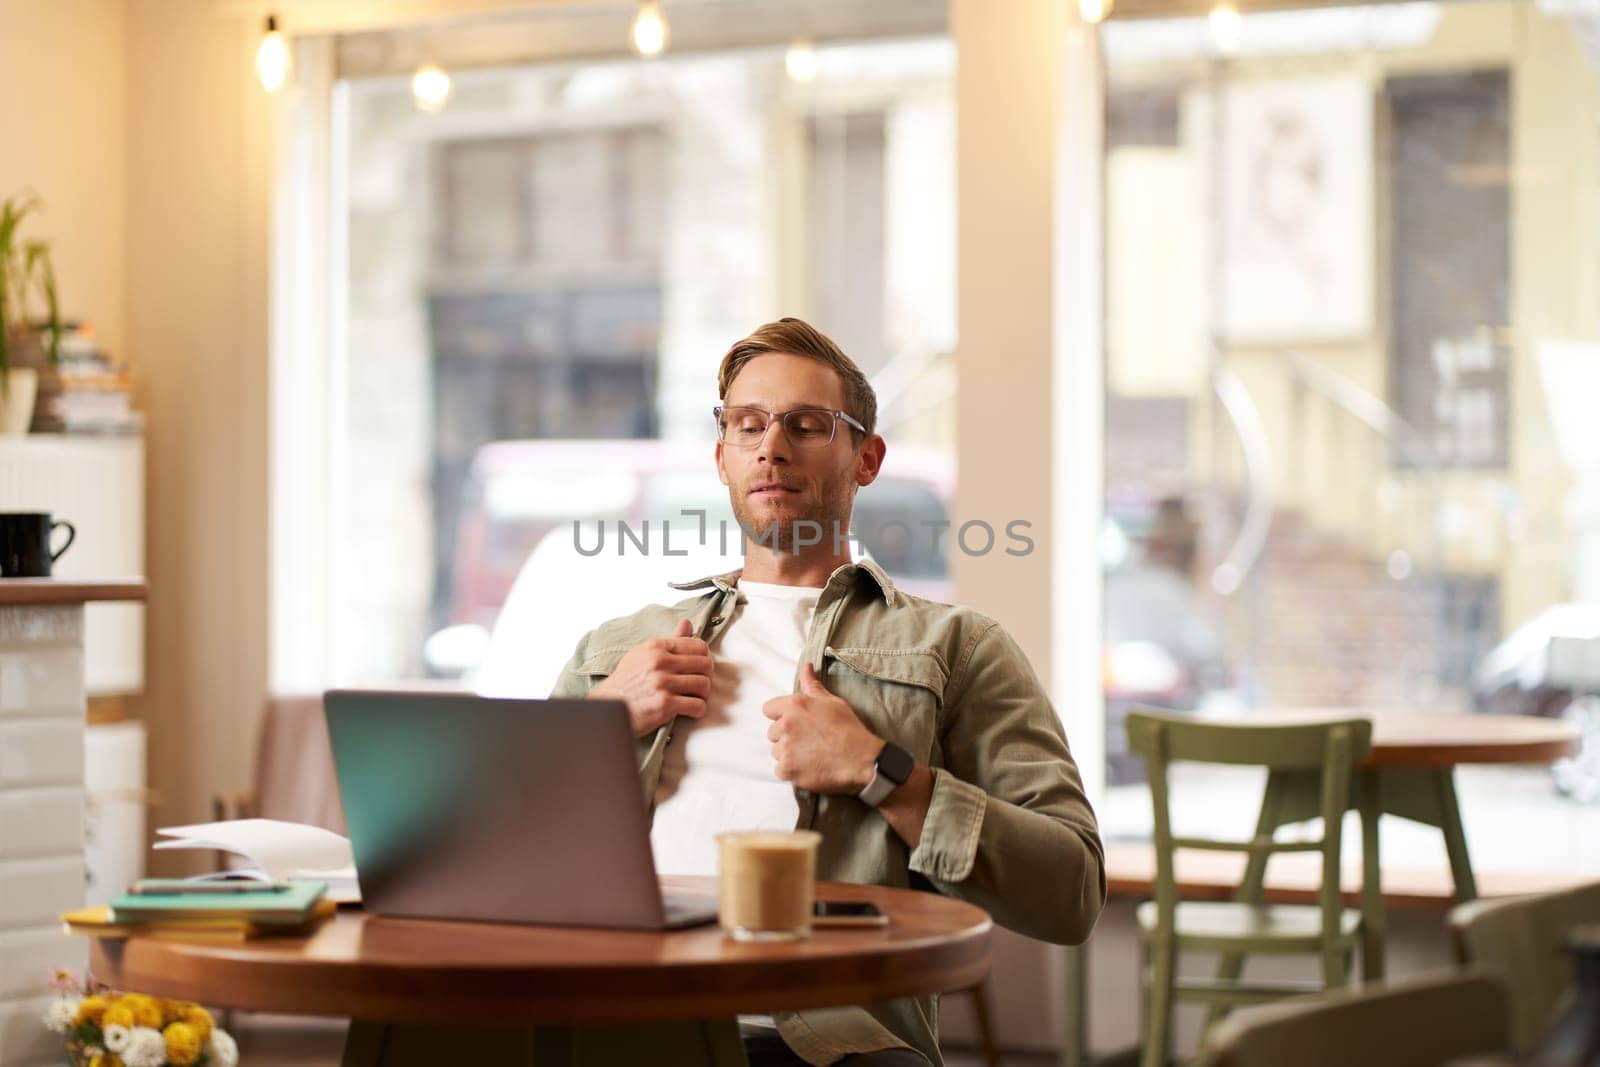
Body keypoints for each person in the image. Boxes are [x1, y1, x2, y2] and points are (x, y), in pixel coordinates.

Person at [550, 318, 1104, 1067]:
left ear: (867, 457)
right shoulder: (617, 651)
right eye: (748, 425)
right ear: (722, 456)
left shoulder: (958, 646)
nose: (771, 447)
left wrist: (883, 772)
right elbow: (496, 856)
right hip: (616, 1016)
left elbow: (1071, 888)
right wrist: (600, 722)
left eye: (806, 425)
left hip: (818, 1040)